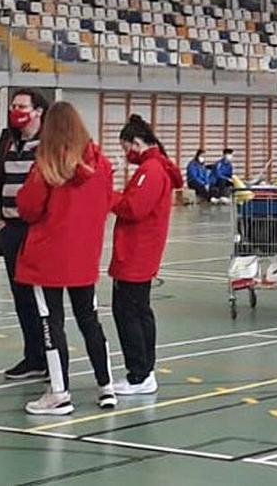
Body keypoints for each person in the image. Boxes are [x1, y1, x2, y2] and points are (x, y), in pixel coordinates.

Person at [14, 102, 117, 414]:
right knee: (90, 320)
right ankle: (106, 386)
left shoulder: (47, 166)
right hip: (84, 255)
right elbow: (106, 202)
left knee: (51, 323)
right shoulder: (102, 164)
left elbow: (28, 208)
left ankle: (59, 392)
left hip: (48, 257)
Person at [110, 115, 182, 396]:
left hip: (137, 252)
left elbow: (133, 208)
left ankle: (139, 373)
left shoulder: (150, 171)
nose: (125, 155)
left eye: (125, 147)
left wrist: (107, 194)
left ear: (136, 144)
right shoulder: (152, 168)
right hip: (140, 250)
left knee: (129, 313)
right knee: (138, 311)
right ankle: (142, 372)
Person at [0, 88, 49, 381]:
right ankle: (33, 357)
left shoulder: (49, 143)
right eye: (13, 105)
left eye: (22, 105)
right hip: (10, 230)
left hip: (38, 232)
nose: (16, 109)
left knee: (43, 301)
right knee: (21, 298)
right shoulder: (7, 140)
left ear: (38, 111)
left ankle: (50, 358)